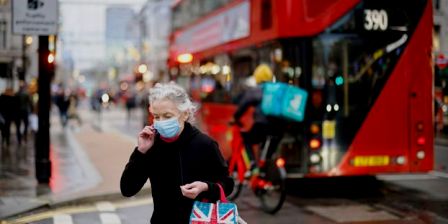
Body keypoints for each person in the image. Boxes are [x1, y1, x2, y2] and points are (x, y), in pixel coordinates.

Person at [120, 82, 234, 224]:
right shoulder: (152, 146)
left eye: (167, 116)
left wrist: (205, 187)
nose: (160, 122)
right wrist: (140, 152)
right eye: (156, 116)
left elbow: (227, 184)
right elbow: (127, 189)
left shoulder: (205, 144)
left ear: (185, 114)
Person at [231, 64, 284, 171]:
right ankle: (268, 159)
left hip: (261, 126)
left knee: (246, 137)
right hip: (278, 128)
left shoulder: (256, 90)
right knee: (272, 142)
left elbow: (243, 106)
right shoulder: (278, 90)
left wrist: (235, 118)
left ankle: (252, 162)